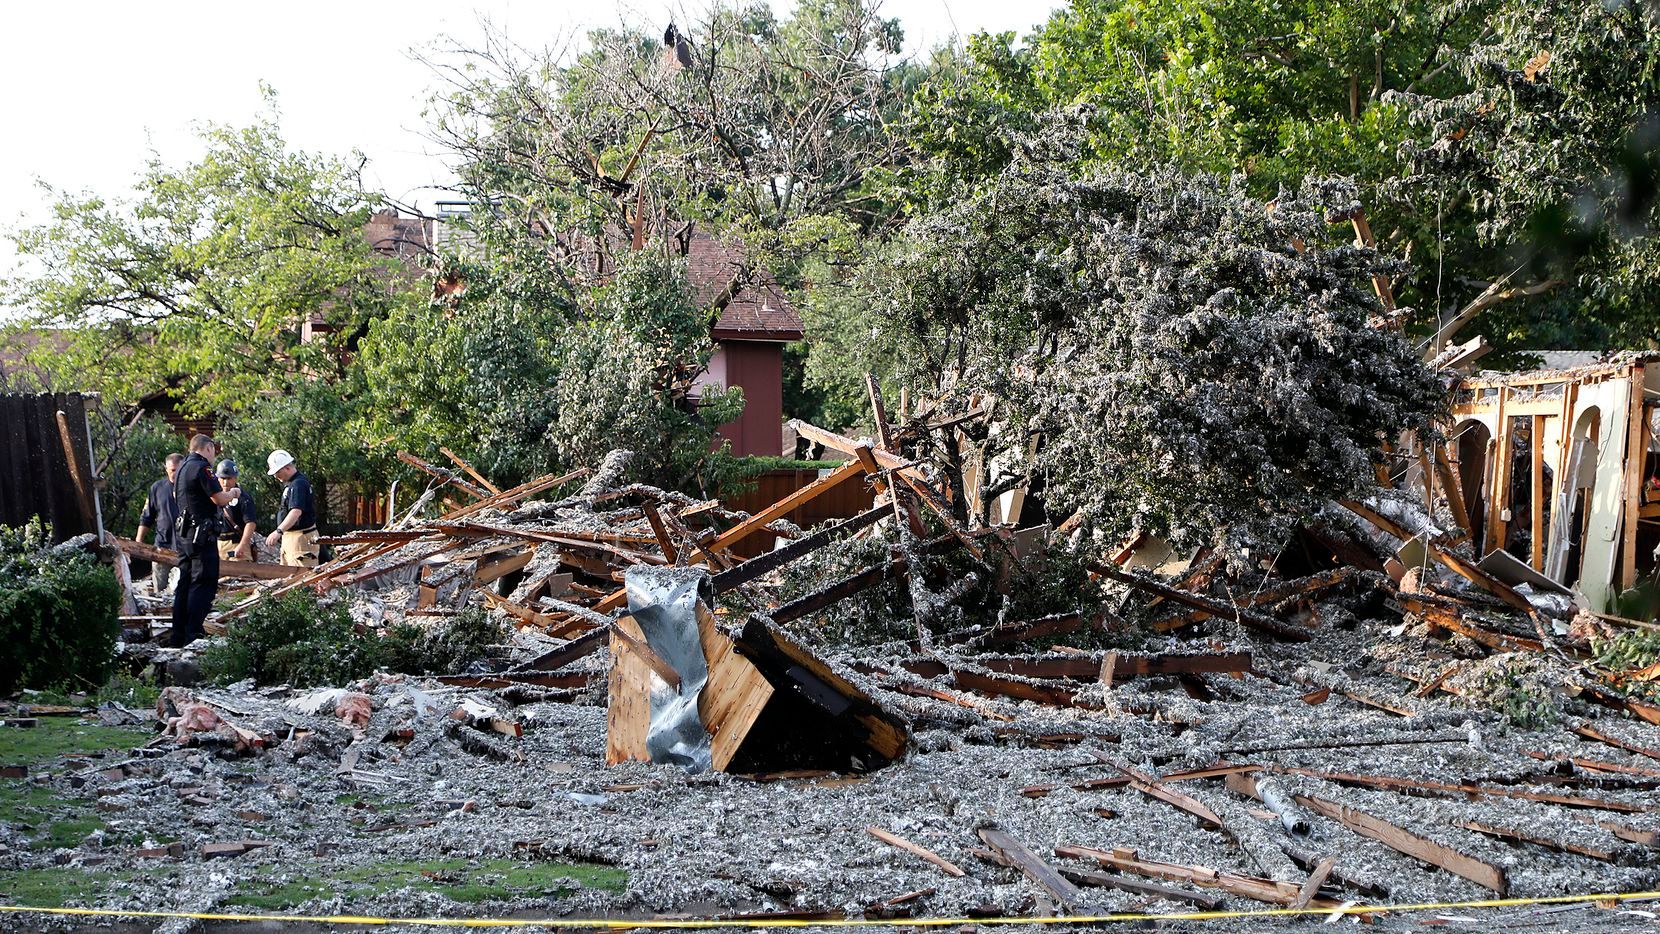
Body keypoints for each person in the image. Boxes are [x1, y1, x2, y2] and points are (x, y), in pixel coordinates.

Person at [171, 435, 240, 647]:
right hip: (201, 536)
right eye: (213, 451)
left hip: (184, 535)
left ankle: (178, 636)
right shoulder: (202, 468)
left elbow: (177, 498)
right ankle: (193, 634)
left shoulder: (181, 469)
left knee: (184, 583)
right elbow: (219, 498)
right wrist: (233, 493)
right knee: (204, 583)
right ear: (208, 448)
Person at [134, 453, 184, 594]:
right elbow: (147, 517)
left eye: (178, 470)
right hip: (162, 547)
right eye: (172, 470)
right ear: (166, 469)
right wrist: (139, 542)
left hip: (186, 548)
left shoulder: (192, 488)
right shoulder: (157, 488)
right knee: (160, 592)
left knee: (184, 591)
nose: (175, 473)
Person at [264, 449, 318, 567]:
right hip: (291, 538)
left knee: (301, 576)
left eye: (277, 472)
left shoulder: (298, 484)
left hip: (301, 539)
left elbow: (296, 511)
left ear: (287, 467)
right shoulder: (292, 484)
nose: (275, 476)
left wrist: (279, 531)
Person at [215, 459, 258, 562]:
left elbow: (250, 523)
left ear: (235, 478)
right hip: (218, 543)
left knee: (241, 576)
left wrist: (243, 545)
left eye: (229, 478)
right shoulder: (215, 497)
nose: (225, 482)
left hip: (237, 543)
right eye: (222, 478)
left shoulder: (243, 498)